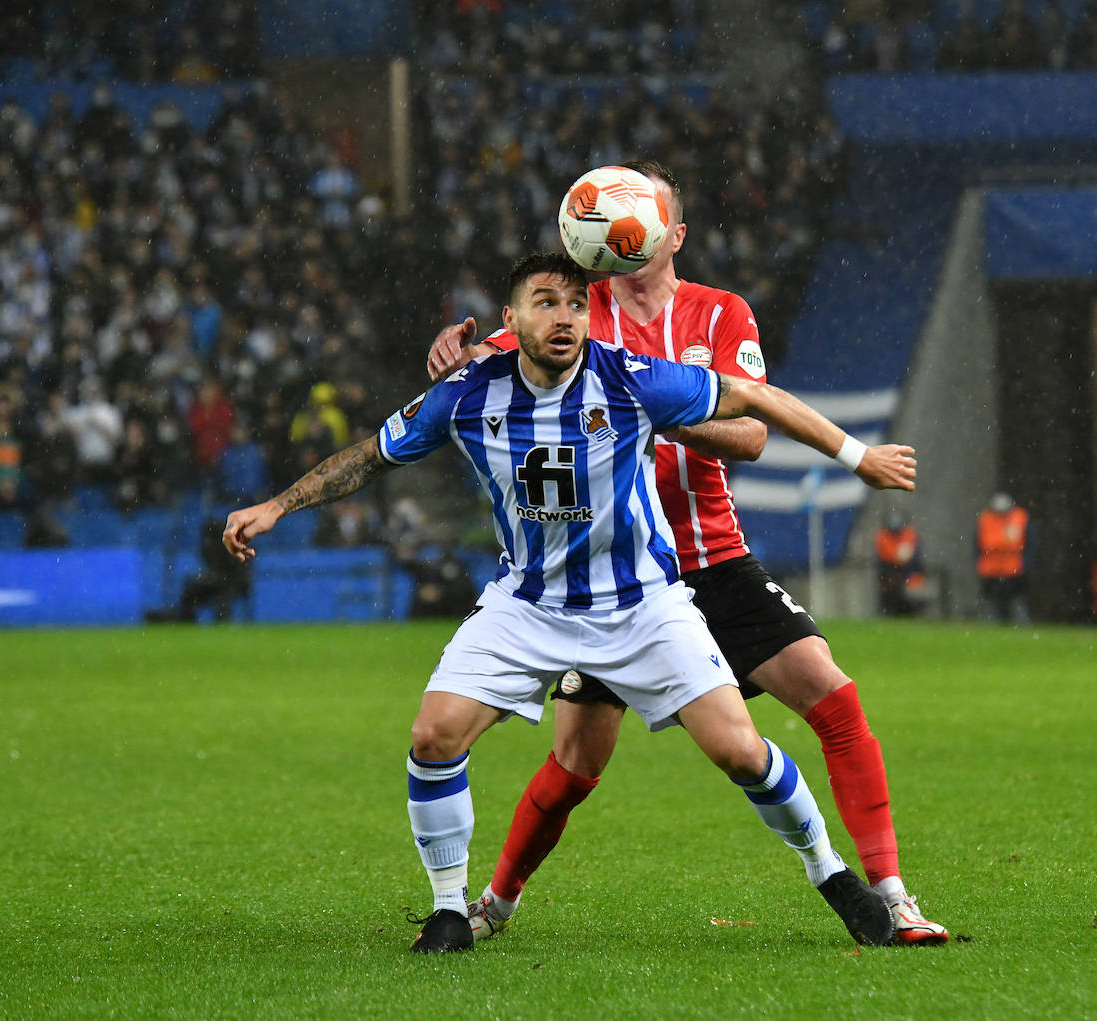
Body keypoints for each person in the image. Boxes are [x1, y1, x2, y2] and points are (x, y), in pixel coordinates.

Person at [224, 252, 919, 953]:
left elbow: (758, 399)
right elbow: (373, 454)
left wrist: (858, 457)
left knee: (740, 751)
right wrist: (278, 505)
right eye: (546, 302)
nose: (565, 318)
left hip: (643, 606)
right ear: (511, 319)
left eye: (577, 305)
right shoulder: (468, 391)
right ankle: (447, 909)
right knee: (434, 734)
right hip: (527, 606)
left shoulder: (626, 378)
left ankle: (832, 874)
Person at [426, 162, 948, 945]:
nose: (630, 227)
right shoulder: (576, 309)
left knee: (832, 696)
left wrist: (642, 404)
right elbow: (496, 365)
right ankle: (494, 902)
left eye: (649, 215)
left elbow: (750, 433)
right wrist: (449, 351)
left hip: (709, 557)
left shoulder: (720, 312)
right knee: (577, 762)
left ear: (673, 233)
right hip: (604, 572)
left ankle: (892, 894)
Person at [977, 491, 1031, 623]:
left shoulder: (1020, 518)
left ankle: (1021, 625)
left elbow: (1029, 542)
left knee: (1017, 599)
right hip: (991, 568)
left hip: (1014, 567)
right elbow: (979, 544)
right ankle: (990, 624)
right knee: (991, 601)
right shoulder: (986, 520)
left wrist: (1026, 562)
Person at [875, 511, 925, 617]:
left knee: (911, 600)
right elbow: (892, 557)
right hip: (890, 576)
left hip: (908, 574)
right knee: (890, 599)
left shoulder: (909, 535)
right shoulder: (883, 537)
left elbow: (914, 560)